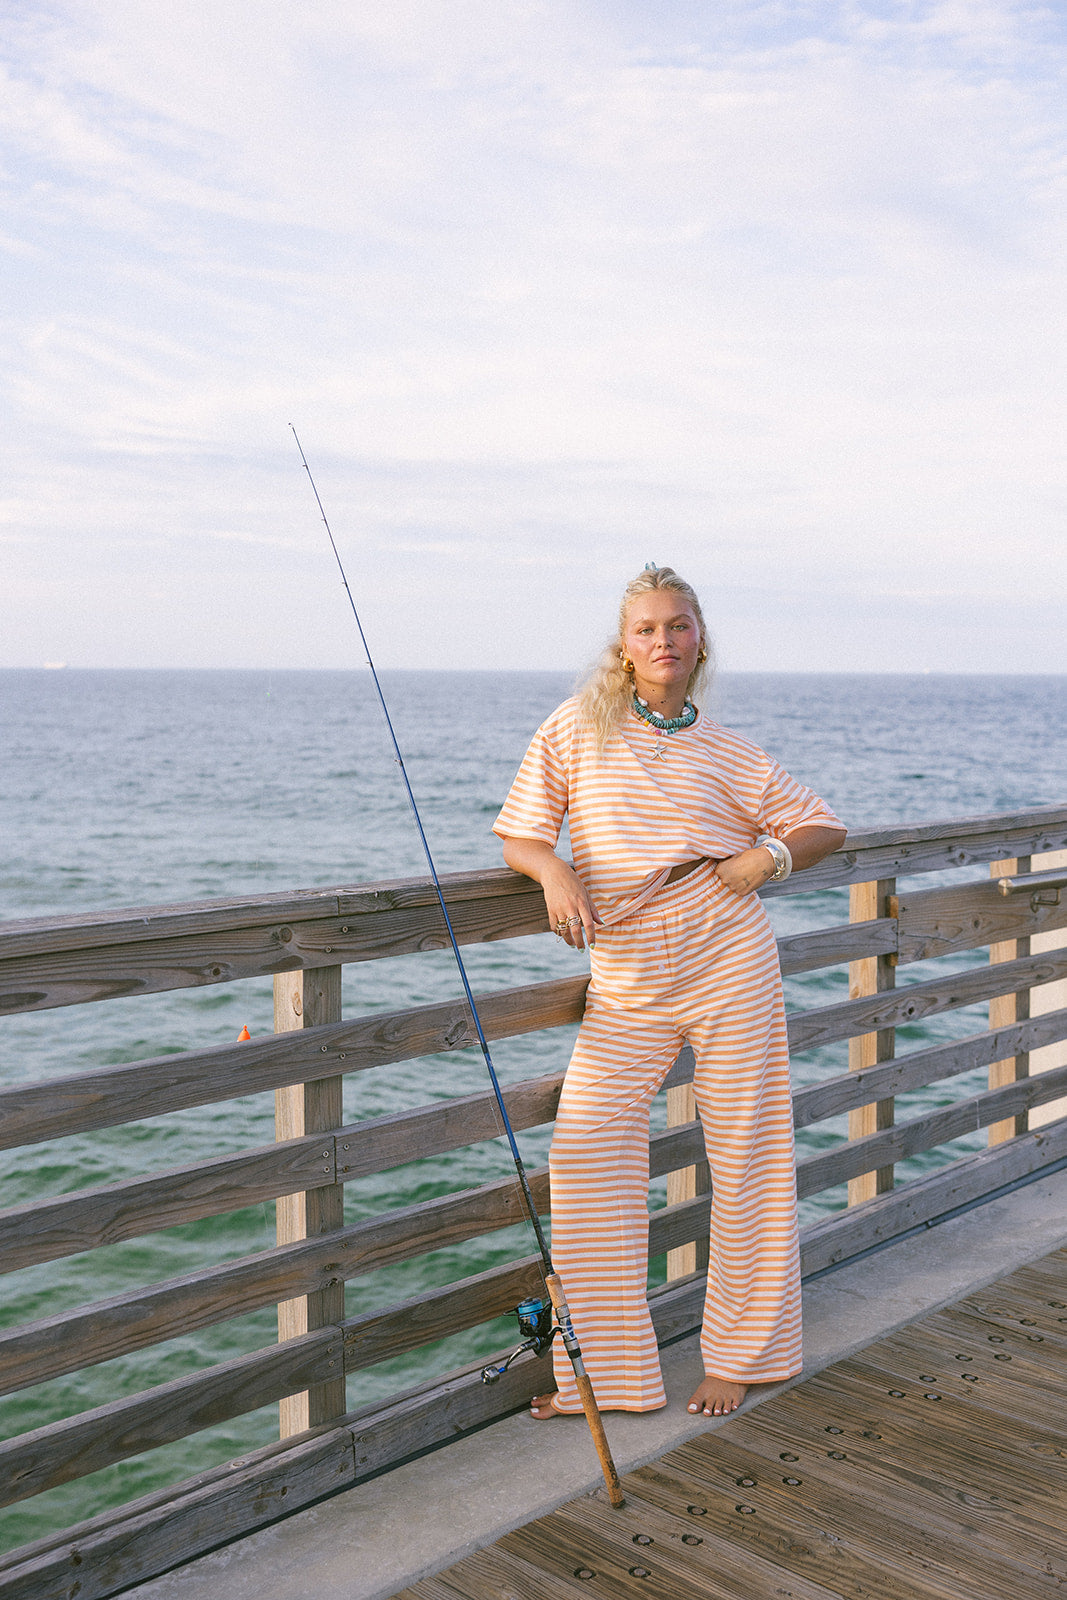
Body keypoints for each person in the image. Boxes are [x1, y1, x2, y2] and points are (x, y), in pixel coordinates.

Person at [493, 565, 846, 1421]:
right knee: (585, 1153)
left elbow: (822, 823)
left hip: (729, 960)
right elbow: (520, 833)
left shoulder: (727, 749)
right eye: (646, 628)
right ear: (623, 645)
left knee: (748, 1155)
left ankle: (748, 1357)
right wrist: (553, 873)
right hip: (627, 977)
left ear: (699, 638)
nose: (663, 640)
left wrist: (770, 858)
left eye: (678, 625)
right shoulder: (576, 729)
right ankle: (608, 1377)